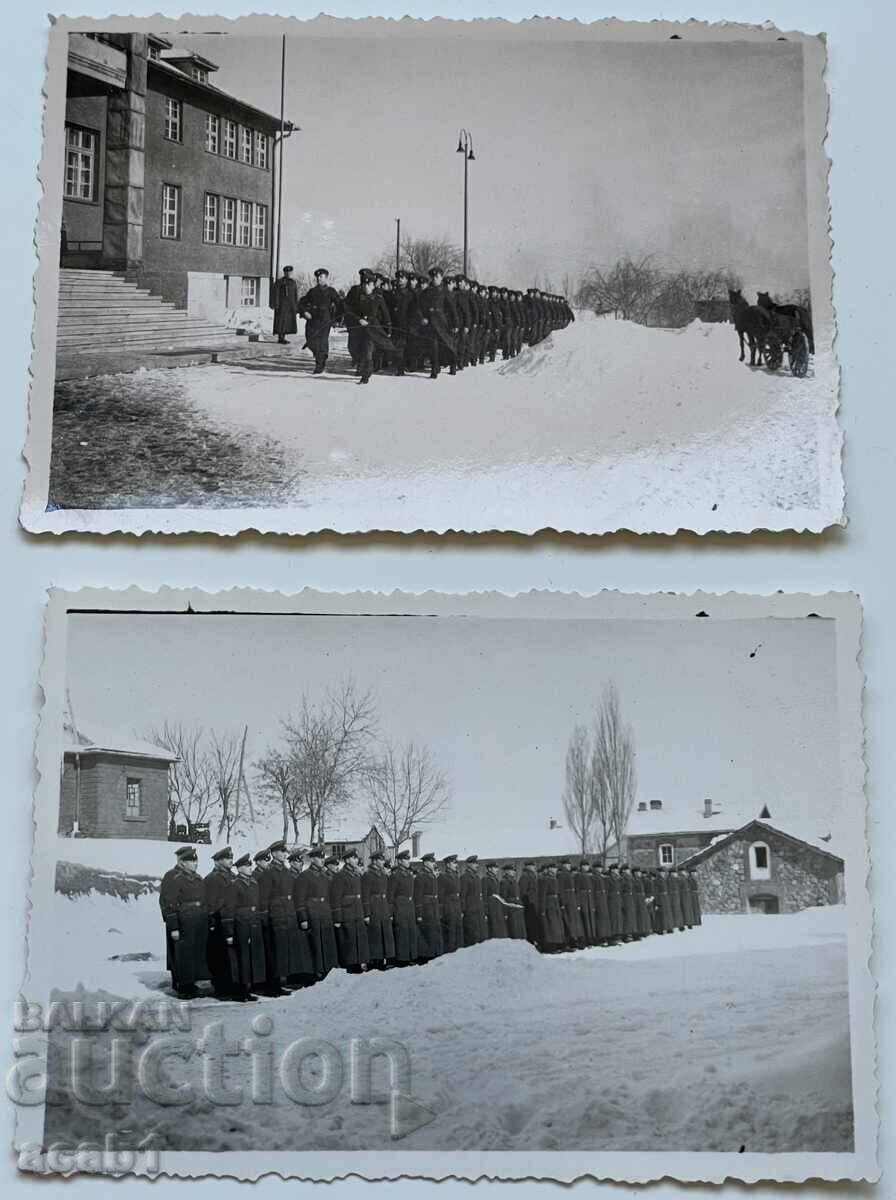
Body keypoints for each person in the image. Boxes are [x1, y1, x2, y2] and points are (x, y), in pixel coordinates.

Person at [159, 846, 209, 999]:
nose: (195, 863)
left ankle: (191, 982)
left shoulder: (197, 878)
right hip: (182, 921)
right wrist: (173, 926)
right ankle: (182, 985)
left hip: (198, 921)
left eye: (195, 860)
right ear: (181, 862)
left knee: (195, 953)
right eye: (190, 861)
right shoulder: (172, 877)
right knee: (182, 954)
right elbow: (168, 903)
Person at [343, 268, 397, 385]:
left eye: (370, 285)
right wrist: (358, 319)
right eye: (365, 285)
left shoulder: (378, 298)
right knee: (353, 348)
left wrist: (388, 329)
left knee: (367, 352)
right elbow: (348, 310)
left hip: (372, 329)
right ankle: (360, 365)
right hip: (358, 329)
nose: (367, 287)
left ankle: (365, 375)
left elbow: (386, 314)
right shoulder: (357, 297)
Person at [293, 846, 339, 980]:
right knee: (315, 943)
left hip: (325, 912)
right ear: (312, 859)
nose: (321, 860)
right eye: (319, 858)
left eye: (322, 858)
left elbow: (330, 896)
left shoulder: (325, 875)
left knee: (326, 941)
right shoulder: (304, 876)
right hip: (312, 912)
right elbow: (299, 899)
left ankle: (327, 968)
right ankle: (316, 971)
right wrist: (303, 918)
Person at [230, 853, 265, 1002]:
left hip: (253, 924)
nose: (250, 868)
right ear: (239, 869)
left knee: (252, 957)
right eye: (247, 866)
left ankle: (248, 988)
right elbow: (229, 910)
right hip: (241, 925)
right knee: (241, 957)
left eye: (250, 865)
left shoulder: (254, 883)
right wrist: (229, 932)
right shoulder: (234, 885)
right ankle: (240, 990)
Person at [204, 846, 237, 999]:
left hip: (232, 919)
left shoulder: (233, 876)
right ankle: (221, 988)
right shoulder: (213, 879)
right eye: (226, 858)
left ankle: (231, 985)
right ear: (217, 862)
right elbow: (210, 904)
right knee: (220, 956)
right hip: (218, 921)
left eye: (231, 858)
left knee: (231, 956)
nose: (231, 861)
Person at [330, 848, 369, 972]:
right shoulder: (340, 876)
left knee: (358, 939)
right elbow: (335, 898)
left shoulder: (357, 874)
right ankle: (351, 965)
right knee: (349, 940)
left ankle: (358, 963)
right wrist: (337, 917)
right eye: (353, 858)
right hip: (347, 911)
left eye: (356, 858)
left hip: (357, 911)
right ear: (347, 860)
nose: (356, 860)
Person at [298, 268, 344, 374]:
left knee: (322, 341)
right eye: (318, 277)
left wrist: (337, 319)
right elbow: (301, 303)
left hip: (325, 320)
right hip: (312, 320)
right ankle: (321, 357)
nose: (319, 279)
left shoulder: (331, 291)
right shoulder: (312, 291)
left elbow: (339, 304)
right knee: (310, 340)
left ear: (326, 278)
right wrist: (304, 312)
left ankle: (320, 363)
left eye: (321, 276)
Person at [416, 267, 456, 380]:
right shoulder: (426, 292)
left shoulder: (445, 292)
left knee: (448, 345)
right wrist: (422, 318)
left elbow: (452, 309)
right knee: (433, 347)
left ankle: (453, 365)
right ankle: (434, 369)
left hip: (442, 323)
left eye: (437, 277)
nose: (434, 279)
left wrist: (455, 325)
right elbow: (419, 308)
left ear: (441, 277)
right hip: (430, 323)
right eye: (432, 277)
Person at [362, 849, 395, 969]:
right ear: (375, 861)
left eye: (382, 860)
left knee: (384, 934)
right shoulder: (368, 875)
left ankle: (383, 960)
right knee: (375, 935)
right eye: (380, 860)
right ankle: (374, 962)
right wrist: (366, 913)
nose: (382, 862)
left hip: (383, 906)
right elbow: (365, 895)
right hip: (373, 906)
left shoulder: (383, 875)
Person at [387, 848, 418, 966]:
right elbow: (390, 896)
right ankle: (402, 959)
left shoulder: (409, 875)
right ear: (399, 861)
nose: (408, 861)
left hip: (409, 907)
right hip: (399, 908)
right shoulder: (395, 876)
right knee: (402, 933)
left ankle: (410, 957)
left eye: (408, 859)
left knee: (410, 932)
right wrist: (391, 913)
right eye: (405, 859)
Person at [413, 851, 443, 962]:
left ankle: (435, 954)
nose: (433, 864)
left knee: (434, 931)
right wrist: (419, 913)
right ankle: (426, 957)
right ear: (425, 863)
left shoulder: (432, 876)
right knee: (428, 933)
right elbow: (418, 896)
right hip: (426, 909)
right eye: (431, 862)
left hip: (433, 907)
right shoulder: (421, 877)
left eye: (433, 861)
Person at [536, 862, 565, 953]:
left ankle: (557, 945)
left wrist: (561, 903)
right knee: (550, 927)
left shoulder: (555, 879)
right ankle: (550, 947)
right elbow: (542, 895)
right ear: (549, 869)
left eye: (555, 868)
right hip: (549, 905)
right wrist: (543, 910)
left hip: (555, 905)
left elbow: (558, 893)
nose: (555, 870)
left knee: (556, 927)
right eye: (553, 868)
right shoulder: (545, 880)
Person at [438, 853, 464, 953]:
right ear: (448, 864)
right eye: (454, 863)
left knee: (458, 930)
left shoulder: (456, 876)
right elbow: (440, 895)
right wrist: (442, 910)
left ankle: (459, 952)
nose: (456, 865)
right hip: (448, 907)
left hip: (457, 906)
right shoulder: (443, 877)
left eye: (456, 863)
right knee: (451, 932)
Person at [460, 854, 486, 946]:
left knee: (479, 935)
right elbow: (462, 895)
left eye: (477, 863)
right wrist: (463, 910)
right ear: (469, 865)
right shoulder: (465, 878)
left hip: (478, 910)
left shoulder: (477, 877)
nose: (477, 865)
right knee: (472, 936)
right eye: (475, 864)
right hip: (470, 911)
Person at [270, 265, 299, 344]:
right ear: (284, 273)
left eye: (290, 272)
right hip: (282, 305)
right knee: (281, 322)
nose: (289, 274)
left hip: (290, 305)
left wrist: (296, 306)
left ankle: (284, 337)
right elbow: (275, 294)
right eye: (287, 272)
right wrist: (276, 304)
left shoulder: (293, 282)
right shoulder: (280, 282)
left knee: (288, 322)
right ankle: (281, 338)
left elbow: (295, 295)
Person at [499, 863, 527, 939]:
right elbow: (503, 898)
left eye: (514, 870)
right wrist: (505, 912)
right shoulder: (504, 882)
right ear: (506, 872)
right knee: (514, 929)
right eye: (511, 870)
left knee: (520, 929)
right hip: (511, 908)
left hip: (517, 907)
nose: (514, 872)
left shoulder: (514, 881)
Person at [482, 861, 507, 938]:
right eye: (495, 868)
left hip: (497, 907)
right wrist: (485, 911)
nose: (497, 870)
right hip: (491, 908)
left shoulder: (495, 879)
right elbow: (484, 896)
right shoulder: (485, 879)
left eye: (497, 868)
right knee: (493, 929)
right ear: (489, 869)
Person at [518, 860, 540, 944]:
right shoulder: (525, 876)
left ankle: (534, 940)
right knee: (530, 923)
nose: (534, 867)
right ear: (527, 867)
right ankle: (531, 941)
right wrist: (527, 902)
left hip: (534, 902)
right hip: (529, 903)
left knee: (534, 923)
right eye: (532, 866)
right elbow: (523, 891)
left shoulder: (532, 875)